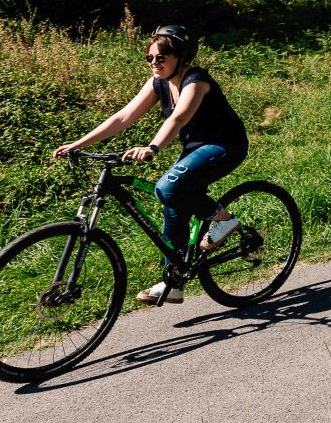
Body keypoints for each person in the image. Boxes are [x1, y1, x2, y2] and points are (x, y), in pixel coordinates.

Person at [54, 24, 248, 305]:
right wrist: (78, 144)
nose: (154, 64)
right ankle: (175, 281)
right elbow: (123, 117)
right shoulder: (158, 83)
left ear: (180, 57)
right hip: (195, 149)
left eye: (161, 58)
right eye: (150, 58)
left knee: (167, 188)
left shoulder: (196, 80)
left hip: (225, 146)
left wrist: (153, 147)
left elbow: (178, 119)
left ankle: (224, 220)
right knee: (173, 205)